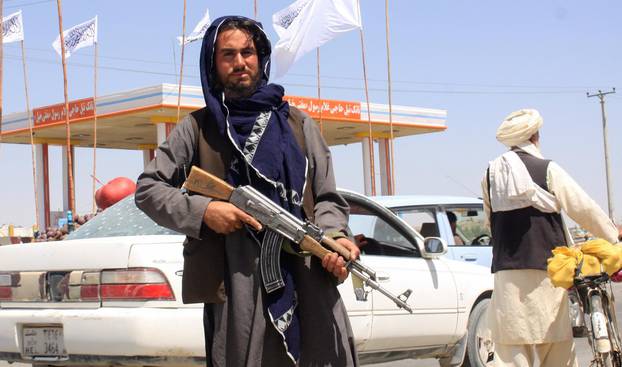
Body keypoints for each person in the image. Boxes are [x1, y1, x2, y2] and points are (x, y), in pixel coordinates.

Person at [135, 16, 360, 367]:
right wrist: (205, 211)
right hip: (235, 281)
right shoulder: (197, 129)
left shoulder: (298, 124)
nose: (240, 62)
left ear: (261, 57)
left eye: (247, 52)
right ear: (214, 63)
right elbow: (149, 189)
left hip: (307, 276)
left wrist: (335, 238)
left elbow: (328, 197)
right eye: (228, 55)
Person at [481, 109, 620, 367]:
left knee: (510, 350)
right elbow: (582, 208)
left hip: (506, 273)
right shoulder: (547, 169)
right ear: (535, 137)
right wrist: (613, 235)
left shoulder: (491, 173)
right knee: (554, 348)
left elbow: (490, 221)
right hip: (548, 272)